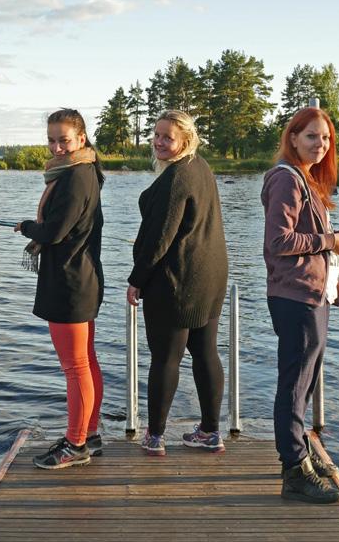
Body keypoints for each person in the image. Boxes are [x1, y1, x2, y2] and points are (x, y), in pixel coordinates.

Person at [261, 107, 339, 503]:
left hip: (312, 295)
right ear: (292, 138)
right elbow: (278, 242)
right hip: (295, 298)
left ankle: (301, 453)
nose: (320, 145)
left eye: (325, 139)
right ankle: (294, 470)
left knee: (304, 382)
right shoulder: (286, 180)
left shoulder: (307, 180)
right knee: (293, 383)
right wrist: (329, 240)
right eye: (311, 137)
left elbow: (312, 236)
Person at [126, 110, 228, 457]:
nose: (158, 142)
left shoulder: (175, 179)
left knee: (166, 359)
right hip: (210, 276)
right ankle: (211, 431)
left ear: (185, 140)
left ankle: (155, 437)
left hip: (177, 281)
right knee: (204, 352)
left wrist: (136, 279)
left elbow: (159, 239)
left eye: (167, 137)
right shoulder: (200, 166)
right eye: (155, 135)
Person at [16, 108, 105, 470]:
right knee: (86, 362)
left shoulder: (75, 178)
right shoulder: (85, 171)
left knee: (76, 366)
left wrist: (25, 226)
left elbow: (55, 231)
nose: (57, 147)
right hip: (81, 278)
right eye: (51, 140)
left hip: (70, 282)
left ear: (81, 139)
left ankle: (76, 443)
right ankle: (89, 435)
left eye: (64, 140)